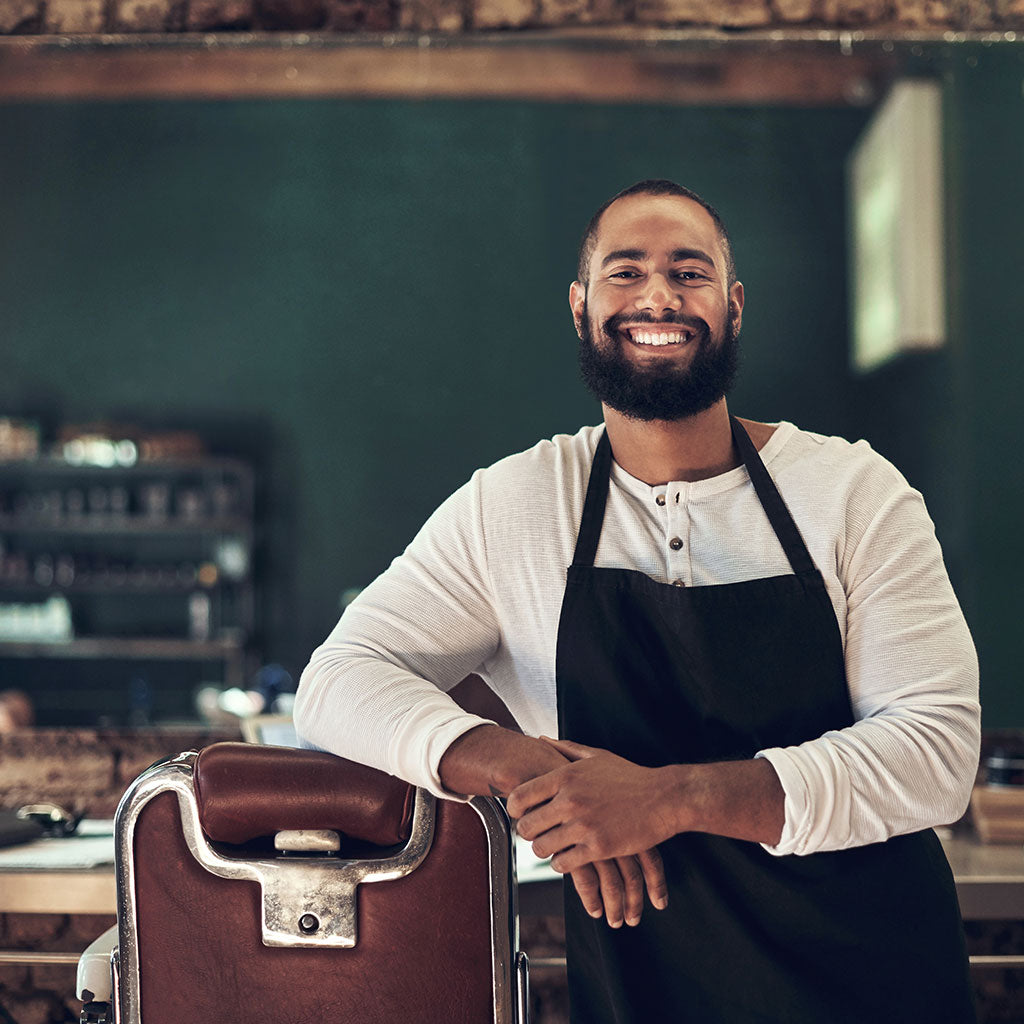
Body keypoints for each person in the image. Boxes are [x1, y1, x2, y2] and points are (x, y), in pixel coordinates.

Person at [295, 179, 980, 1023]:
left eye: (689, 272)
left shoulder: (852, 492)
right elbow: (337, 680)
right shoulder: (516, 505)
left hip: (873, 977)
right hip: (647, 984)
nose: (658, 296)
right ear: (581, 307)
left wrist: (668, 798)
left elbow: (936, 752)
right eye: (627, 273)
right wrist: (523, 770)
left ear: (732, 307)